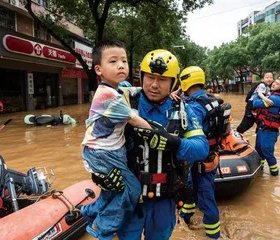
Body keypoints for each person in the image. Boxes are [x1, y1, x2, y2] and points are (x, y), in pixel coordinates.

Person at [87, 49, 209, 239]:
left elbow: (201, 148)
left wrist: (173, 143)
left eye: (162, 79)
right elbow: (95, 140)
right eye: (150, 77)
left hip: (164, 200)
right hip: (128, 198)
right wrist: (99, 175)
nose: (154, 85)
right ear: (141, 76)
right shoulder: (123, 98)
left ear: (173, 82)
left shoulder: (183, 110)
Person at [80, 40, 152, 240]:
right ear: (98, 69)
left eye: (124, 61)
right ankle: (102, 228)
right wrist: (161, 135)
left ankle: (90, 211)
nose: (121, 65)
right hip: (102, 153)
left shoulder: (118, 88)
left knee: (113, 189)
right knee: (131, 188)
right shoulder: (108, 96)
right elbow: (135, 119)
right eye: (113, 61)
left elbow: (133, 91)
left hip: (112, 150)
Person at [177, 66, 230, 239]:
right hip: (211, 155)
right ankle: (186, 217)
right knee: (190, 189)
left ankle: (213, 235)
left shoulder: (194, 106)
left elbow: (190, 132)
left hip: (199, 159)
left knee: (205, 199)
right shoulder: (212, 100)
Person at [252, 76, 280, 176]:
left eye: (277, 84)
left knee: (267, 151)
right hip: (262, 128)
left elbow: (255, 103)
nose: (274, 84)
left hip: (270, 131)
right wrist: (262, 95)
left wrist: (259, 93)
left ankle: (274, 173)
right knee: (259, 150)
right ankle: (260, 170)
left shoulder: (276, 99)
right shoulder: (271, 95)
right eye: (275, 82)